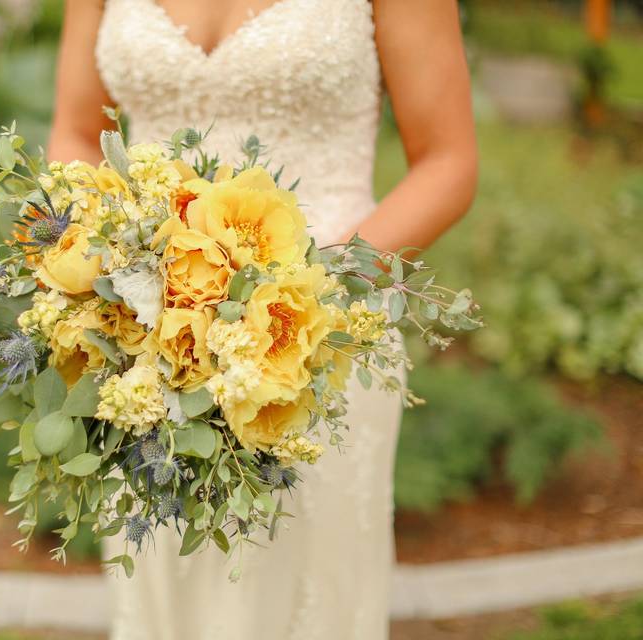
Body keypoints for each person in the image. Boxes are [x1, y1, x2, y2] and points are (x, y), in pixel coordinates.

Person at [47, 1, 477, 638]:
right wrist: (106, 272)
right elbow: (76, 135)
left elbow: (448, 163)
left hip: (317, 339)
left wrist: (295, 298)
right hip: (148, 344)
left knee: (307, 593)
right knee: (165, 584)